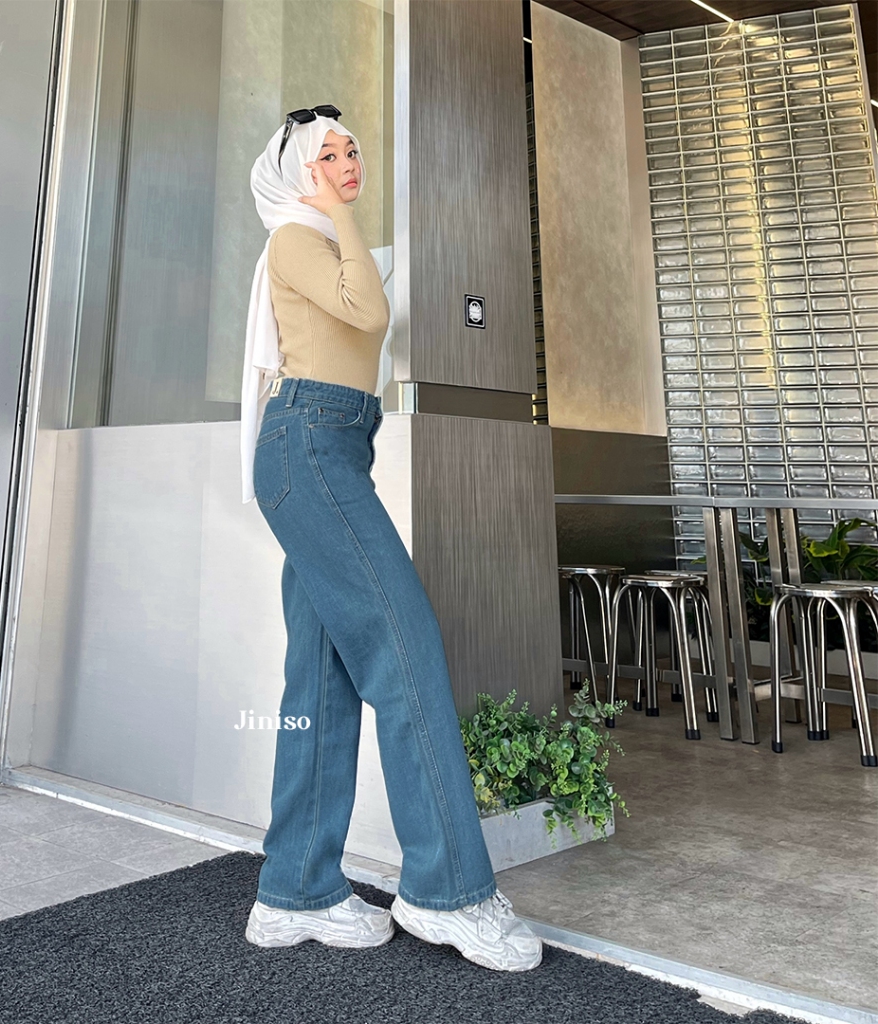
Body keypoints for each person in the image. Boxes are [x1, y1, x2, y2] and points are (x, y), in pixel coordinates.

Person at [239, 107, 543, 973]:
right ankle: (450, 892)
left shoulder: (327, 243)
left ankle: (294, 893)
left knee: (322, 676)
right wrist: (338, 209)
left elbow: (373, 308)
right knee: (404, 651)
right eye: (328, 155)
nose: (348, 162)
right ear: (299, 172)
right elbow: (368, 314)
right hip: (308, 447)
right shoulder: (297, 240)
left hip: (330, 450)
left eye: (352, 151)